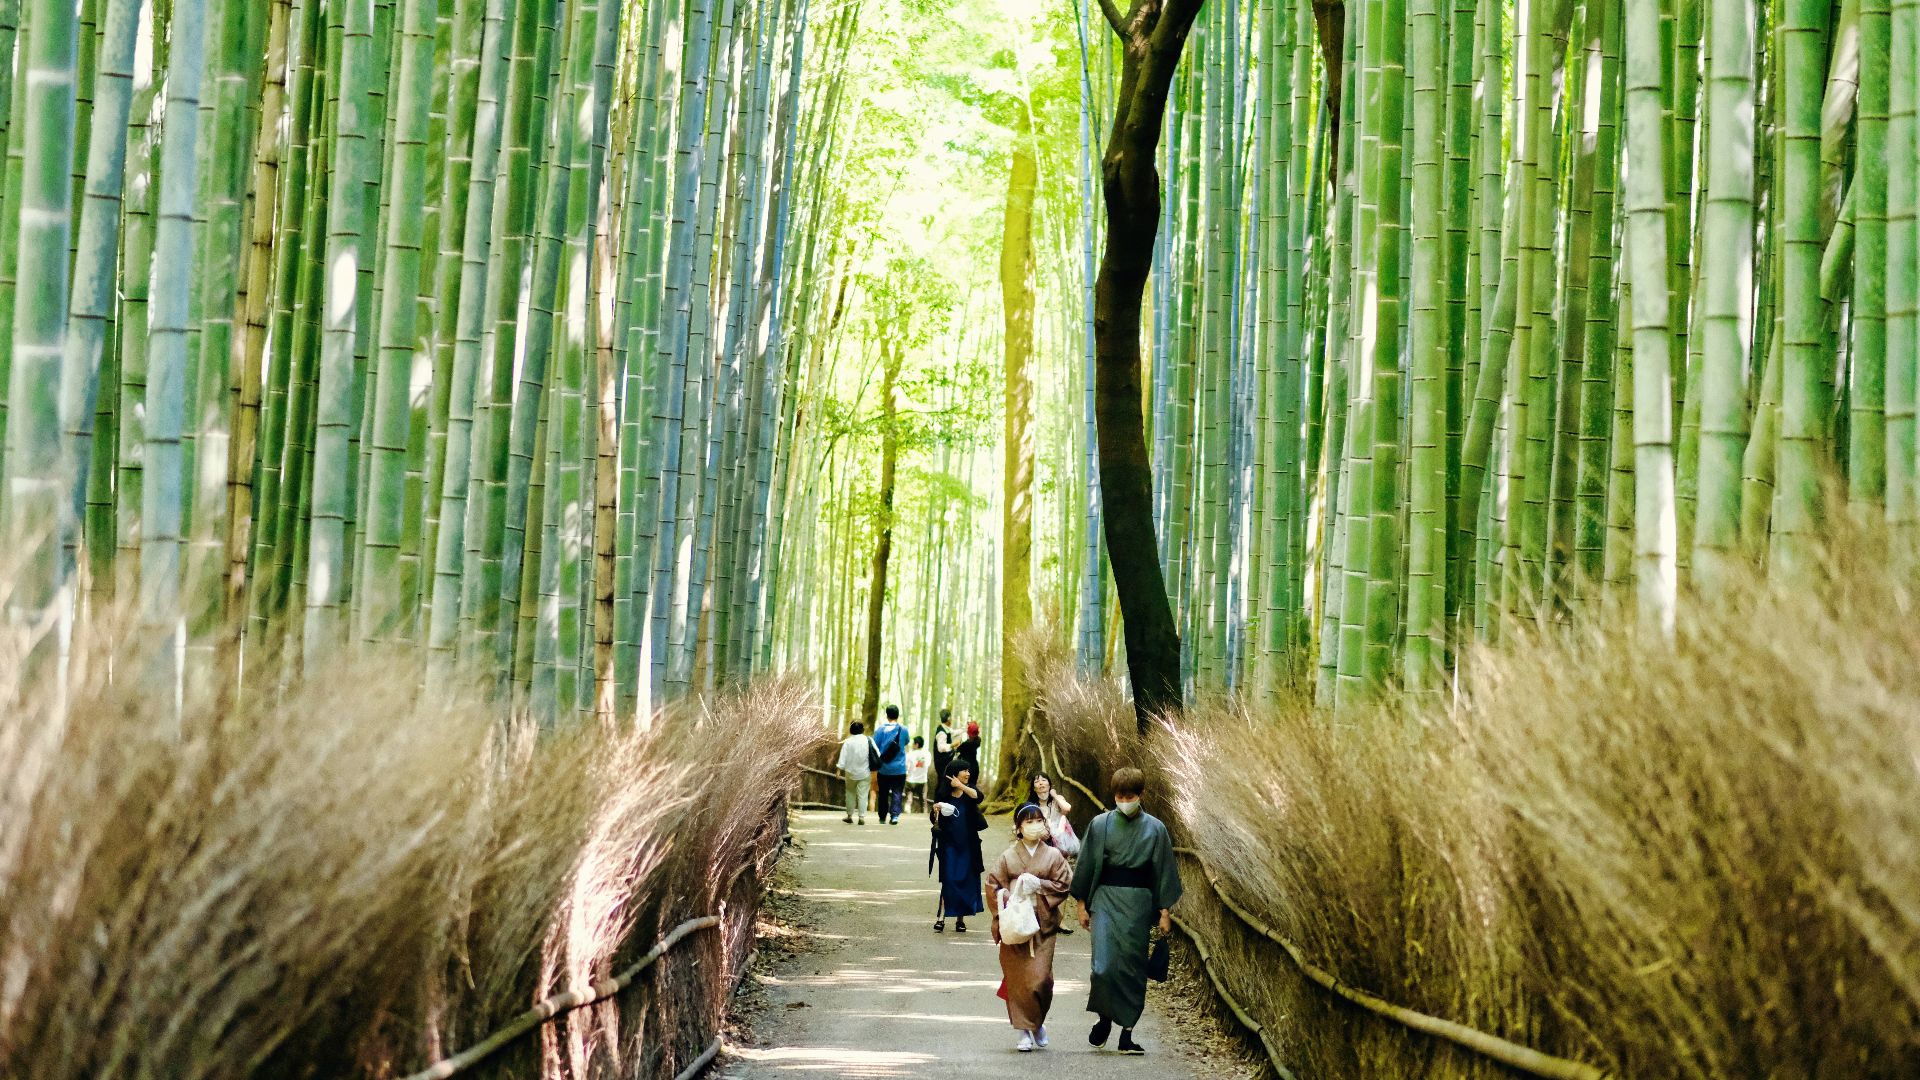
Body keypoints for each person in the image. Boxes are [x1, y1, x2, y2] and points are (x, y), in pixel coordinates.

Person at [1068, 766, 1183, 1056]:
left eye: (1129, 795)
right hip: (1105, 898)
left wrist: (1164, 911)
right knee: (1104, 966)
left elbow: (1163, 871)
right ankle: (1105, 1018)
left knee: (1132, 968)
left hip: (1139, 903)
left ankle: (1127, 1033)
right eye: (1119, 795)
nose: (1124, 800)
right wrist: (1082, 904)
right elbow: (1085, 865)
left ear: (1141, 795)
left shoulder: (1156, 829)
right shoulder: (1100, 824)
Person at [986, 803, 1073, 1052]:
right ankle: (1023, 1030)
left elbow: (1064, 883)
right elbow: (992, 885)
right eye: (1029, 822)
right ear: (1019, 828)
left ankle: (1036, 1022)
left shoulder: (1054, 856)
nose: (1035, 826)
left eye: (1039, 821)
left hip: (1042, 925)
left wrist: (1040, 885)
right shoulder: (1007, 857)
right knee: (1017, 980)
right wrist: (1007, 895)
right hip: (1014, 922)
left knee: (1041, 980)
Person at [928, 761, 987, 933]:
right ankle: (941, 917)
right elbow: (934, 820)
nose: (968, 773)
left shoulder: (970, 791)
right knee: (949, 879)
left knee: (966, 880)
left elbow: (979, 797)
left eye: (968, 770)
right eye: (964, 770)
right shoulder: (943, 793)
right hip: (949, 844)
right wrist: (935, 810)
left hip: (969, 845)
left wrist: (961, 785)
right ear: (954, 773)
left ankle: (960, 920)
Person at [1031, 773, 1079, 934]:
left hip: (1059, 849)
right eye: (1037, 781)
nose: (1040, 783)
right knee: (1040, 883)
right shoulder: (1031, 805)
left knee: (1064, 882)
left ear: (1050, 784)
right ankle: (1042, 919)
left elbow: (1067, 809)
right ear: (1033, 787)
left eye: (1044, 780)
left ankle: (1060, 921)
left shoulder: (1057, 802)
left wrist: (1054, 795)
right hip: (1039, 848)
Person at [872, 705, 909, 824]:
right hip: (900, 768)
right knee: (897, 792)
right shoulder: (903, 730)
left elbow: (875, 745)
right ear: (898, 715)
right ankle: (894, 816)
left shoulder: (880, 730)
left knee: (883, 792)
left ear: (887, 715)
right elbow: (906, 741)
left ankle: (882, 816)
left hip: (884, 768)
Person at [835, 722, 874, 825]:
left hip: (850, 773)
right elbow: (877, 753)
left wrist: (839, 770)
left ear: (851, 730)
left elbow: (843, 757)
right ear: (862, 730)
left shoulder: (848, 742)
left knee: (850, 793)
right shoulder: (868, 740)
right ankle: (861, 817)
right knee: (863, 795)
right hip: (865, 773)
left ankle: (849, 816)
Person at [904, 736, 933, 814]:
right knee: (923, 801)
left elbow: (906, 766)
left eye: (913, 743)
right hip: (922, 780)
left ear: (916, 744)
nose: (912, 745)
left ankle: (907, 816)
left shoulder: (910, 754)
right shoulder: (927, 754)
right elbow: (928, 765)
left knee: (908, 800)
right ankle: (923, 817)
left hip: (910, 780)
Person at [932, 709, 958, 783]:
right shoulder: (941, 732)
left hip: (945, 762)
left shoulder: (946, 729)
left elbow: (954, 732)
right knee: (943, 782)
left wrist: (965, 729)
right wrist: (953, 745)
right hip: (941, 762)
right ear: (948, 719)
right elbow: (940, 748)